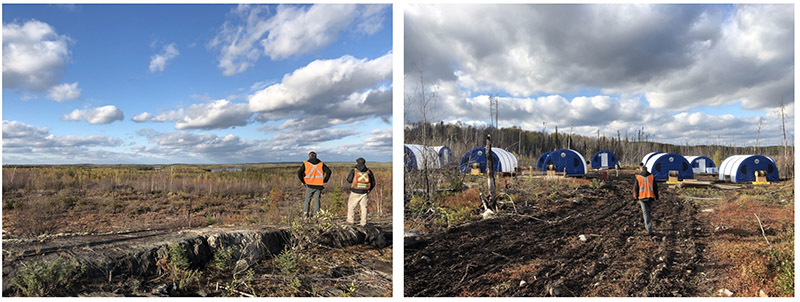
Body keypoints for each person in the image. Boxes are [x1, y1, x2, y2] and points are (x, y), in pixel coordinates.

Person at [297, 151, 331, 218]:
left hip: (309, 185)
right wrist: (325, 180)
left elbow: (299, 172)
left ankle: (305, 216)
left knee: (307, 201)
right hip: (319, 185)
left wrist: (303, 181)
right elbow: (328, 171)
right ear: (316, 156)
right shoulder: (321, 164)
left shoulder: (306, 164)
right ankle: (316, 216)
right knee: (317, 201)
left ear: (309, 156)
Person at [346, 157, 375, 226]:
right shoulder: (368, 171)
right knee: (364, 208)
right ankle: (363, 223)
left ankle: (350, 221)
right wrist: (368, 190)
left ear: (357, 163)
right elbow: (373, 183)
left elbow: (349, 180)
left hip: (355, 191)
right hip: (364, 192)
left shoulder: (354, 170)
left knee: (351, 206)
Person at [633, 162, 659, 235]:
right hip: (650, 196)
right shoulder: (651, 176)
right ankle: (648, 225)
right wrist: (656, 196)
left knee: (645, 212)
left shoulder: (638, 177)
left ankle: (649, 229)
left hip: (642, 197)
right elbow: (655, 188)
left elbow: (636, 188)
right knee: (648, 211)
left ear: (641, 169)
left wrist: (636, 197)